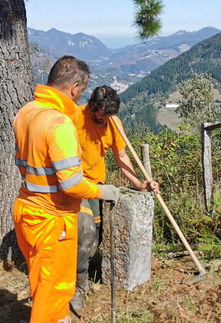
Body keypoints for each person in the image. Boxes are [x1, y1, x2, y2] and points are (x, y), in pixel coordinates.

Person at [13, 56, 120, 323]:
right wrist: (102, 192)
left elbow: (24, 165)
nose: (79, 98)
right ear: (74, 88)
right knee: (55, 294)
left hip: (27, 211)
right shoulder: (59, 124)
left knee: (42, 285)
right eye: (81, 91)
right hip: (53, 220)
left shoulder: (26, 112)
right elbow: (71, 183)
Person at [69, 85, 159, 310]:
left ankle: (82, 274)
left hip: (97, 186)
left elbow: (121, 156)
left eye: (107, 118)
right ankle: (78, 285)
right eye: (100, 119)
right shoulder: (74, 118)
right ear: (91, 107)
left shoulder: (114, 124)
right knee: (85, 231)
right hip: (75, 185)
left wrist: (139, 184)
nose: (103, 122)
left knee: (95, 236)